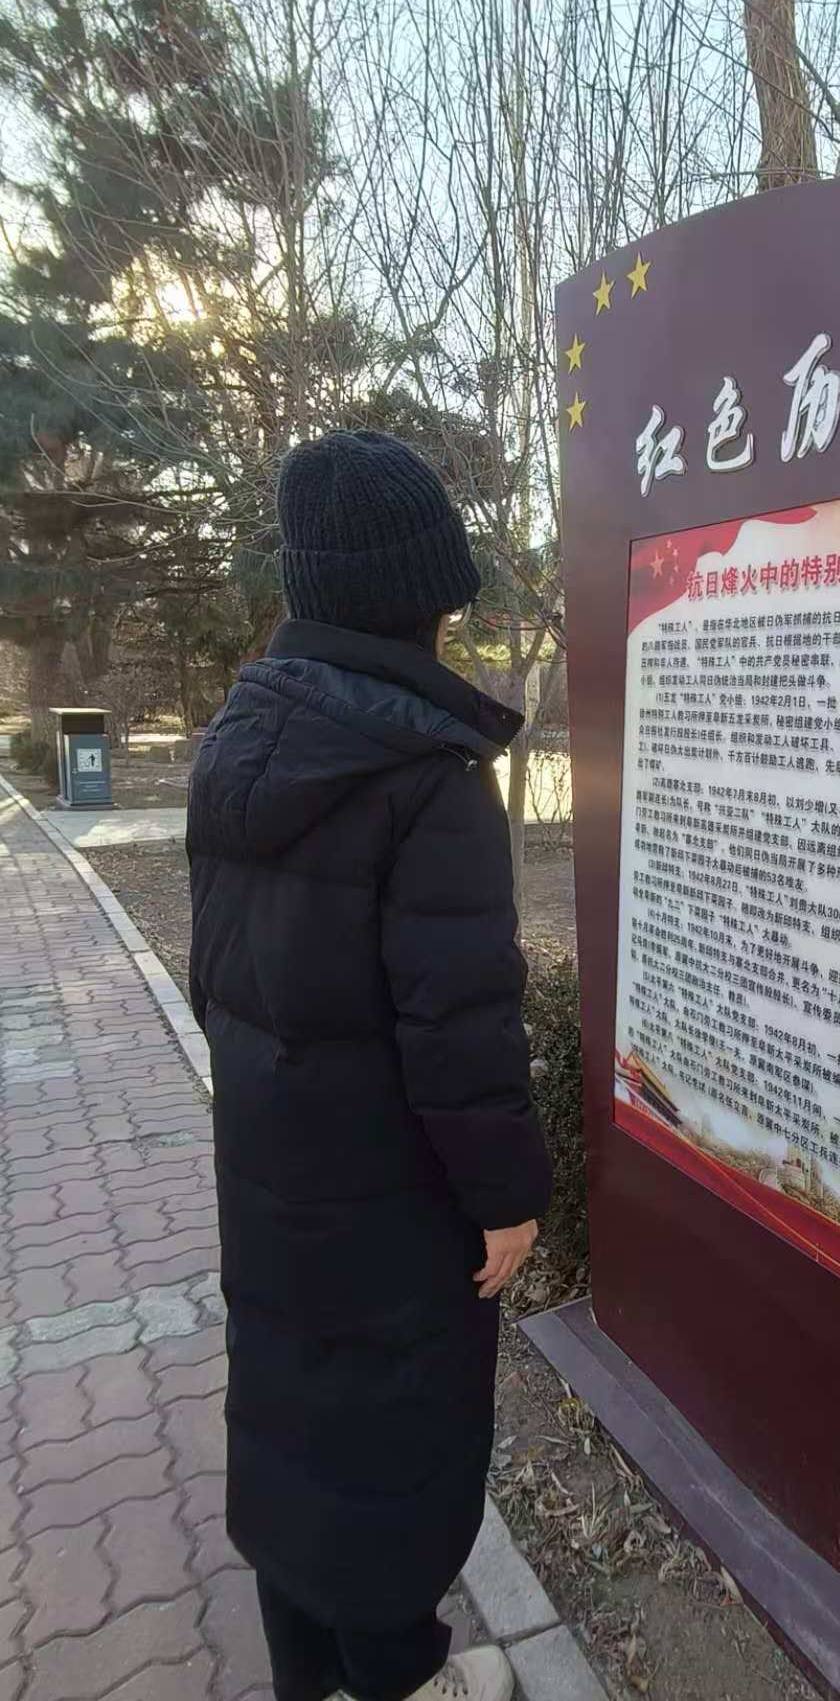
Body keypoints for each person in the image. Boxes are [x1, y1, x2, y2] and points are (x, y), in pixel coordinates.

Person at [187, 430, 551, 1701]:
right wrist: (506, 1196)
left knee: (293, 1409)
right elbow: (462, 1029)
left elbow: (214, 974)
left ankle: (309, 1672)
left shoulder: (240, 738)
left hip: (269, 1163)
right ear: (422, 598)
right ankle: (398, 1674)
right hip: (391, 1193)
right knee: (392, 1432)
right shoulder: (427, 781)